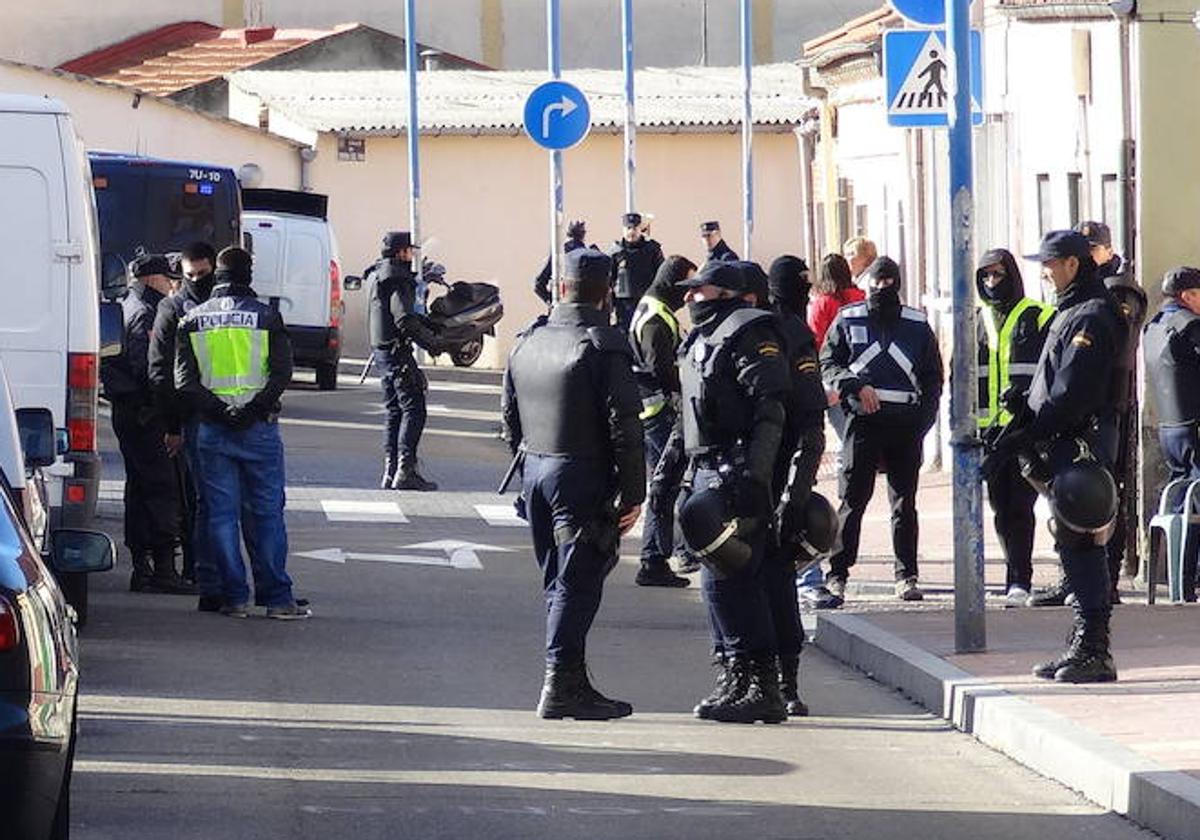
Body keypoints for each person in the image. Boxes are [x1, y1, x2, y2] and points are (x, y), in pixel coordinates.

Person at [501, 247, 645, 720]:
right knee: (578, 583)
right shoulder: (604, 344)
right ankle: (559, 684)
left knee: (557, 583)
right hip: (579, 475)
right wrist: (633, 492)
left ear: (561, 287)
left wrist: (528, 462)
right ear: (607, 292)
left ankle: (573, 678)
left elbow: (508, 418)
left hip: (537, 470)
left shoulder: (530, 338)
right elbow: (626, 424)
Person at [652, 260, 792, 724]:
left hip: (734, 473)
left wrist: (753, 477)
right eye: (689, 291)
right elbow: (685, 416)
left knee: (737, 578)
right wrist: (666, 475)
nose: (692, 298)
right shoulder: (699, 340)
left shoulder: (750, 335)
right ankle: (736, 675)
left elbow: (769, 412)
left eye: (702, 291)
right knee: (715, 583)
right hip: (704, 467)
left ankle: (763, 685)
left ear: (728, 295)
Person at [984, 230, 1127, 682]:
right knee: (1071, 540)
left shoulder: (1091, 315)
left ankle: (1094, 649)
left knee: (1083, 538)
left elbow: (1073, 392)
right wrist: (1022, 411)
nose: (1044, 273)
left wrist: (1031, 429)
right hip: (1063, 444)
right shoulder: (1072, 311)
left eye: (1050, 264)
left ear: (1072, 264)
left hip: (1081, 445)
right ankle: (1082, 643)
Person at [176, 247, 309, 620]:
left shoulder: (192, 319)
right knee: (266, 513)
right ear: (248, 274)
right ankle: (277, 598)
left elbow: (185, 382)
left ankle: (234, 597)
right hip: (258, 429)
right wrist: (251, 410)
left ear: (216, 275)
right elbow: (281, 374)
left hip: (213, 430)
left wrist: (221, 411)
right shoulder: (266, 317)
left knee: (220, 516)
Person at [821, 257, 943, 603]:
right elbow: (828, 362)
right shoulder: (849, 318)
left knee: (904, 502)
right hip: (862, 422)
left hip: (905, 424)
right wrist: (855, 386)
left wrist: (924, 420)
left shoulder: (916, 324)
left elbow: (932, 376)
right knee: (853, 499)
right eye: (878, 283)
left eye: (889, 283)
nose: (882, 289)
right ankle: (838, 573)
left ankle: (906, 576)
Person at [101, 254, 195, 595]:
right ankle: (164, 569)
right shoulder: (146, 313)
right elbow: (151, 372)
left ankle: (143, 567)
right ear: (151, 279)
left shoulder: (128, 305)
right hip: (147, 414)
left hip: (131, 413)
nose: (172, 284)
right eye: (167, 278)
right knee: (161, 488)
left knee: (140, 488)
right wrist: (170, 416)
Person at [762, 256, 828, 716]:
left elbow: (809, 425)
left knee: (770, 580)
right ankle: (766, 679)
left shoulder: (786, 336)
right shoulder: (773, 333)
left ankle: (778, 680)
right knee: (765, 582)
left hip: (770, 476)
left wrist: (795, 493)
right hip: (765, 477)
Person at [974, 248, 1055, 606]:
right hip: (989, 433)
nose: (993, 282)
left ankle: (1020, 579)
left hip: (1024, 430)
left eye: (999, 274)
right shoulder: (976, 320)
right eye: (987, 276)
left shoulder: (1037, 315)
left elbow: (1051, 369)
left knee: (1023, 506)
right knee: (1001, 508)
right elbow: (958, 376)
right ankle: (1012, 573)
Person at [149, 241, 223, 608]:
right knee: (197, 500)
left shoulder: (225, 307)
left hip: (226, 415)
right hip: (193, 418)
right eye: (190, 276)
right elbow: (160, 371)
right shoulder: (173, 308)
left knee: (217, 501)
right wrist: (173, 425)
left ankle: (213, 571)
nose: (196, 281)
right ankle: (200, 568)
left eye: (202, 275)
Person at [630, 255, 695, 588]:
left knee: (665, 486)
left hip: (650, 411)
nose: (688, 295)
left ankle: (663, 555)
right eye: (685, 285)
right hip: (658, 414)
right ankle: (659, 558)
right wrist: (683, 387)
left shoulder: (652, 306)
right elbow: (660, 368)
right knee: (668, 486)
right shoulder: (657, 317)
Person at [1141, 266, 1200, 601]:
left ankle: (1182, 580)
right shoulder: (1191, 326)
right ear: (1188, 296)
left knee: (1184, 503)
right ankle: (1188, 580)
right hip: (1195, 427)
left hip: (1169, 430)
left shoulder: (1153, 327)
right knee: (1195, 505)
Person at [365, 231, 439, 491]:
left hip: (382, 352)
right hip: (397, 353)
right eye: (409, 251)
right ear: (400, 253)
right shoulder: (397, 278)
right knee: (414, 409)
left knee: (394, 411)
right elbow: (404, 319)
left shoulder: (376, 275)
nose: (411, 255)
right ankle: (406, 470)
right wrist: (432, 343)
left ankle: (391, 470)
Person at [609, 212, 665, 333]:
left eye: (635, 228)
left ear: (640, 229)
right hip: (624, 304)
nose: (631, 231)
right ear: (623, 230)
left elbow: (661, 276)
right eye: (628, 228)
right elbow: (609, 280)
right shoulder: (616, 252)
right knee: (625, 334)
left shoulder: (652, 250)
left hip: (647, 301)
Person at [808, 253, 865, 351]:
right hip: (860, 353)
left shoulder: (821, 303)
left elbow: (817, 336)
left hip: (832, 355)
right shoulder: (862, 296)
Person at [533, 219, 588, 306]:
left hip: (560, 307)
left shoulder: (558, 252)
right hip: (581, 310)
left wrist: (551, 301)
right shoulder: (587, 255)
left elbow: (538, 284)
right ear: (583, 234)